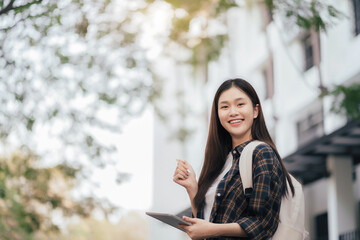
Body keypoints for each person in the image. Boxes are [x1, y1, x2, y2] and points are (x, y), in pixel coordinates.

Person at [173, 78, 295, 240]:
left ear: (255, 111)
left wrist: (212, 229)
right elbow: (206, 224)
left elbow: (262, 223)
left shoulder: (262, 153)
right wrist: (192, 188)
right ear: (217, 114)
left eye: (240, 104)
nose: (233, 112)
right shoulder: (221, 163)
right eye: (224, 107)